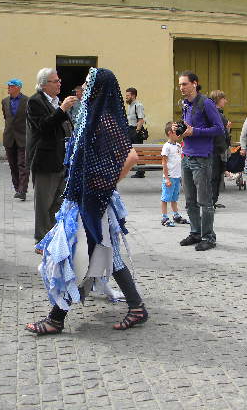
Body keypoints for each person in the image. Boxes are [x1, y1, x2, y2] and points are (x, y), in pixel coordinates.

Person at [26, 67, 148, 335]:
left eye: (88, 83)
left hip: (92, 202)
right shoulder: (90, 116)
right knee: (102, 252)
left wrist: (105, 185)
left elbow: (130, 157)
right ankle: (136, 306)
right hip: (83, 200)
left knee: (75, 252)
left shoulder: (104, 120)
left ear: (98, 89)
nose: (83, 86)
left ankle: (56, 318)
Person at [173, 71, 224, 252]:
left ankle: (209, 237)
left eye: (184, 84)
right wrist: (179, 128)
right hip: (186, 156)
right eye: (180, 84)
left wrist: (195, 131)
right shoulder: (185, 104)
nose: (181, 87)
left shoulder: (206, 103)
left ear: (194, 84)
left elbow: (219, 129)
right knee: (189, 201)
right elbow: (188, 127)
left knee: (205, 201)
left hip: (202, 157)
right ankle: (195, 233)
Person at [26, 68, 76, 247]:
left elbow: (64, 126)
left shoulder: (56, 101)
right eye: (55, 81)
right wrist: (62, 110)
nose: (59, 83)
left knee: (58, 202)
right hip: (45, 160)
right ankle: (41, 240)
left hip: (61, 159)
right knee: (44, 204)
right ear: (44, 84)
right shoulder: (35, 101)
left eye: (59, 80)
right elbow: (44, 126)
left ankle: (53, 238)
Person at [1, 78, 29, 201]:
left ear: (18, 87)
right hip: (9, 137)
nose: (8, 88)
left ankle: (22, 190)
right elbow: (6, 117)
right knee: (13, 165)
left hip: (23, 136)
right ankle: (17, 188)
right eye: (8, 86)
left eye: (11, 86)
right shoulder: (4, 101)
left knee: (22, 164)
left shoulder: (27, 101)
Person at [160, 121, 189, 227]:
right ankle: (164, 217)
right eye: (176, 132)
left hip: (177, 177)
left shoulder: (178, 145)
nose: (178, 134)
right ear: (169, 133)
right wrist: (167, 178)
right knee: (165, 198)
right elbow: (164, 163)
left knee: (174, 198)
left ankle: (176, 215)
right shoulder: (166, 147)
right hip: (170, 177)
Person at [208, 90, 231, 208]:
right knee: (213, 176)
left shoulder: (219, 113)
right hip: (214, 149)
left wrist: (227, 129)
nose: (225, 101)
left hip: (218, 149)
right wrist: (226, 129)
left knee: (217, 176)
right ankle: (210, 202)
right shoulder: (214, 114)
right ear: (218, 100)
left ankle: (213, 200)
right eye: (223, 99)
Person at [125, 87, 146, 178]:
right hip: (129, 129)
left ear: (133, 96)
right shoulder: (130, 105)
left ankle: (141, 172)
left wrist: (137, 131)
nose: (126, 97)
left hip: (135, 130)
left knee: (138, 151)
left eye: (128, 95)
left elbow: (141, 120)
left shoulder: (138, 105)